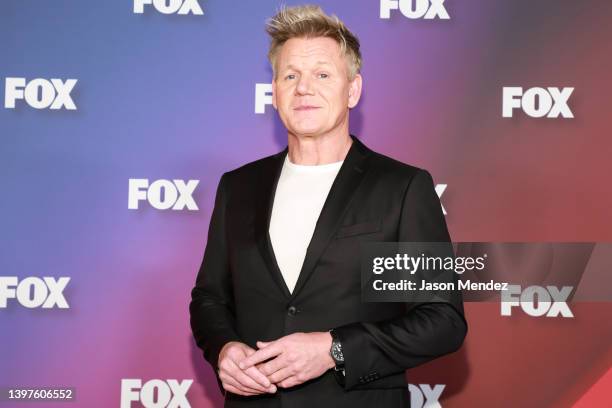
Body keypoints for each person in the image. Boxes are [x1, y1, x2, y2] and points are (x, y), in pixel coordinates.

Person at [189, 5, 467, 407]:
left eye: (322, 74)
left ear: (352, 89)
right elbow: (209, 298)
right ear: (274, 91)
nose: (304, 88)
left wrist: (334, 349)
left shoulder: (402, 187)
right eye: (290, 76)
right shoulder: (238, 187)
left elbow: (443, 321)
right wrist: (225, 349)